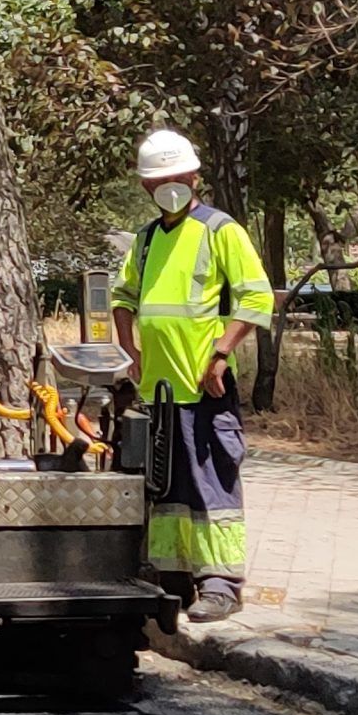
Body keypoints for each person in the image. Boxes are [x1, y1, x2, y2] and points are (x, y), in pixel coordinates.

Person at [111, 129, 275, 624]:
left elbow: (255, 297)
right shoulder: (143, 241)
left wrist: (222, 354)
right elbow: (123, 298)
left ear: (194, 176)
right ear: (145, 187)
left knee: (211, 485)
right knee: (167, 489)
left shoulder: (221, 231)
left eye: (176, 177)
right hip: (158, 393)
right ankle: (173, 577)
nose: (167, 187)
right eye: (157, 180)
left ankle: (220, 583)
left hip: (204, 388)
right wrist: (130, 351)